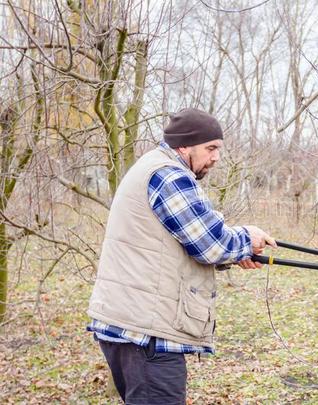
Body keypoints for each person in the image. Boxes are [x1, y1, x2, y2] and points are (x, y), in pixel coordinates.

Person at [87, 108, 275, 404]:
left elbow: (180, 242)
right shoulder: (169, 176)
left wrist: (234, 254)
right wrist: (246, 239)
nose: (216, 158)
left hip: (130, 325)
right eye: (210, 148)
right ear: (184, 146)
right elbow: (210, 244)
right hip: (146, 332)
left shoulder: (152, 166)